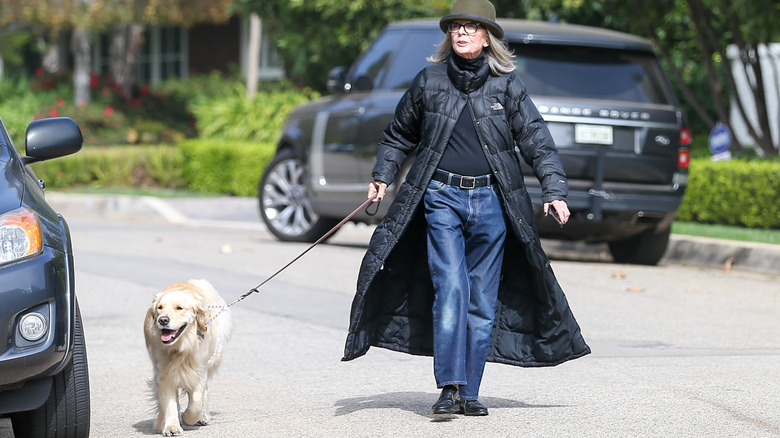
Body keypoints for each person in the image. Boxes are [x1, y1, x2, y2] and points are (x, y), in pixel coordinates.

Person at [342, 0, 590, 416]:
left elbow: (536, 139)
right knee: (452, 289)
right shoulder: (430, 81)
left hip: (493, 201)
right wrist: (382, 175)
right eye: (455, 26)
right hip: (440, 198)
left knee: (481, 299)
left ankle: (468, 393)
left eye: (471, 27)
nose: (461, 33)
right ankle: (448, 386)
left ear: (487, 37)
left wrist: (555, 189)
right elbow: (398, 135)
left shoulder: (507, 85)